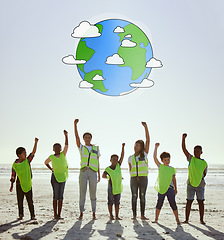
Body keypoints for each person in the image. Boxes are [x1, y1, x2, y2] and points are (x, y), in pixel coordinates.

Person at [74, 119, 101, 220]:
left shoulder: (96, 148)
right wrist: (75, 125)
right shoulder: (81, 147)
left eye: (89, 137)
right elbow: (76, 137)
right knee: (82, 192)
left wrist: (99, 173)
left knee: (93, 193)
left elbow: (98, 161)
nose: (87, 139)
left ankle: (93, 213)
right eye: (85, 137)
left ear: (91, 138)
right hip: (84, 171)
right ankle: (81, 213)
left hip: (93, 172)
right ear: (83, 139)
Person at [9, 137, 39, 220]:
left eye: (26, 152)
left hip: (28, 183)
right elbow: (13, 175)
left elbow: (33, 153)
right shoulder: (15, 164)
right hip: (19, 184)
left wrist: (36, 143)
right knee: (20, 201)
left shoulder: (27, 161)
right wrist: (11, 185)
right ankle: (21, 215)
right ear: (19, 155)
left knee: (30, 201)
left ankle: (32, 215)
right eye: (24, 153)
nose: (26, 154)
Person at [182, 133, 208, 224]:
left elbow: (204, 174)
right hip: (190, 184)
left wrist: (198, 179)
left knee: (201, 202)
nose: (196, 152)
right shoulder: (191, 159)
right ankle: (186, 219)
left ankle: (201, 220)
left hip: (200, 185)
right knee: (189, 201)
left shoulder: (204, 163)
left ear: (201, 152)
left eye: (198, 151)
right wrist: (183, 139)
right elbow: (184, 149)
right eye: (194, 151)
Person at [152, 143, 180, 224]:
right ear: (162, 161)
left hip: (170, 188)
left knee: (173, 204)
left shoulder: (172, 169)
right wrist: (156, 147)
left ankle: (177, 219)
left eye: (168, 159)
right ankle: (156, 219)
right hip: (162, 188)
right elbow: (154, 157)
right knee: (159, 203)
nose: (167, 161)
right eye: (165, 160)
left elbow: (174, 179)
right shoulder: (160, 167)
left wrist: (175, 188)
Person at [44, 130, 69, 220]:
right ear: (53, 149)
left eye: (59, 147)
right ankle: (55, 214)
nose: (57, 149)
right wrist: (51, 169)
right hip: (54, 177)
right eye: (56, 148)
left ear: (61, 149)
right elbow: (45, 162)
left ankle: (59, 214)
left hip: (63, 177)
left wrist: (66, 135)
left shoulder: (63, 155)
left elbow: (67, 145)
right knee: (55, 196)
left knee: (61, 196)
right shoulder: (51, 157)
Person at [128, 122, 150, 220]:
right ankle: (134, 215)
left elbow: (148, 140)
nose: (136, 147)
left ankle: (142, 215)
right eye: (135, 145)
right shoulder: (130, 158)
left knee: (142, 196)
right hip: (133, 179)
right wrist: (134, 177)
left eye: (138, 145)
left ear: (142, 147)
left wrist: (145, 127)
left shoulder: (144, 155)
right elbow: (130, 169)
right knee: (134, 196)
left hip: (143, 179)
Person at [102, 143, 125, 220]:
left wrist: (122, 147)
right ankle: (111, 215)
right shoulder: (108, 169)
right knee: (110, 201)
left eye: (116, 159)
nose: (115, 161)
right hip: (111, 186)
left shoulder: (118, 165)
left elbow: (122, 156)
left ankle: (117, 216)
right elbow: (103, 176)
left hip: (118, 186)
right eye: (113, 159)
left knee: (117, 202)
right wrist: (109, 177)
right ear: (110, 160)